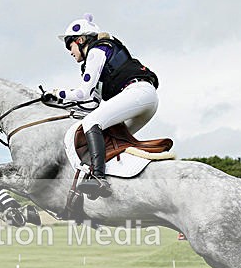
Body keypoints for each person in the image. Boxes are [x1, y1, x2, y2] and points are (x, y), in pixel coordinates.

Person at [48, 13, 159, 199]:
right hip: (144, 100)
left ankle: (98, 178)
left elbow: (83, 93)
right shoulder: (99, 56)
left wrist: (58, 94)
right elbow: (92, 102)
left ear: (81, 40)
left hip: (138, 93)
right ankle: (120, 179)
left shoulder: (97, 51)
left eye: (70, 45)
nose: (70, 51)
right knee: (109, 137)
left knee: (91, 123)